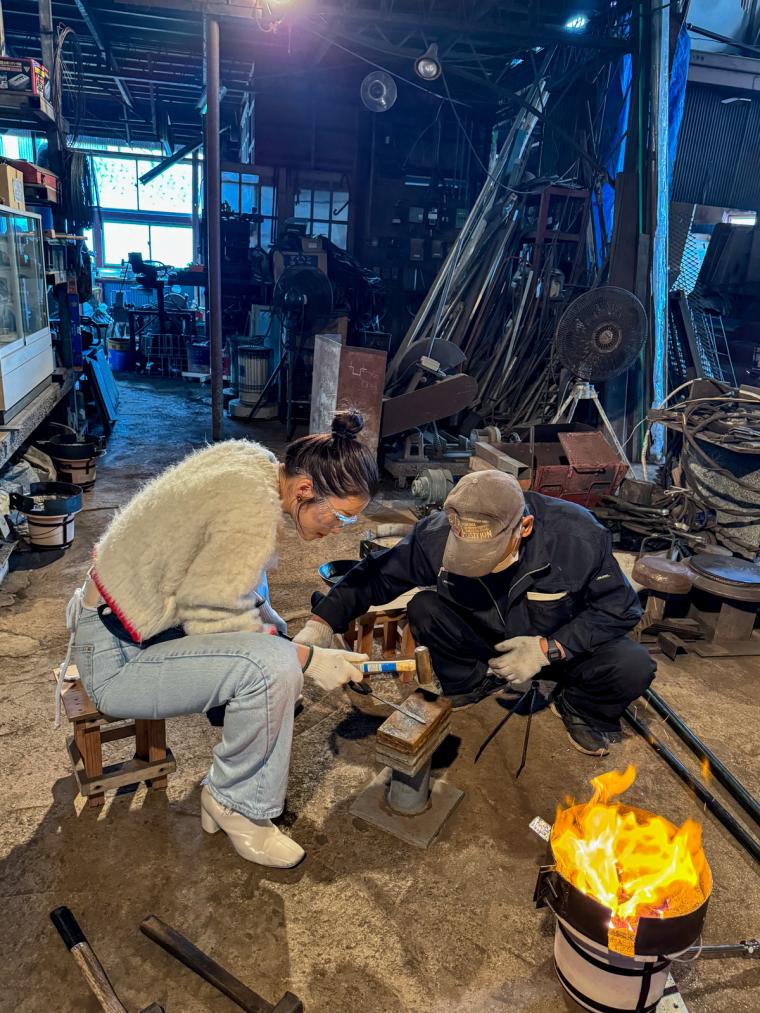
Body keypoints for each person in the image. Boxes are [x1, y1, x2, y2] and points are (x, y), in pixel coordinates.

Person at [61, 410, 379, 868]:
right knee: (272, 667)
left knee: (270, 624)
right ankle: (236, 807)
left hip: (119, 616)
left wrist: (284, 636)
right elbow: (210, 613)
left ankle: (235, 773)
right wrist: (307, 658)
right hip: (117, 658)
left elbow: (233, 586)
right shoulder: (248, 512)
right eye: (342, 518)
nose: (339, 530)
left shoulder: (254, 462)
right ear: (305, 489)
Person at [295, 470, 655, 757]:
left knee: (632, 665)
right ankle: (472, 680)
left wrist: (548, 649)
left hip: (560, 643)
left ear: (523, 528)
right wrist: (322, 621)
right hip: (483, 637)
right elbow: (376, 577)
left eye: (487, 556)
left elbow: (620, 609)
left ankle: (578, 706)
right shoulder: (435, 535)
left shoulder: (578, 537)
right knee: (425, 607)